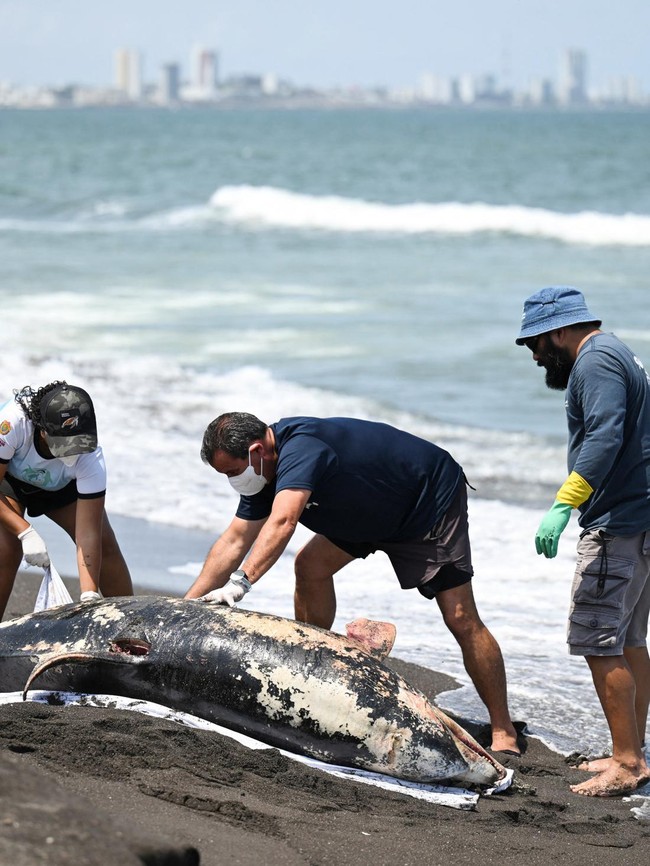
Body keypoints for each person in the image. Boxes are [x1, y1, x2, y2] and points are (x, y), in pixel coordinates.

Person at [185, 412, 520, 755]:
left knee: (460, 617)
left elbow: (284, 521)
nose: (232, 480)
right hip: (365, 513)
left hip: (424, 504)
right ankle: (311, 671)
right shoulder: (261, 473)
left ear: (257, 450)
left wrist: (240, 582)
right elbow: (234, 540)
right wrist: (187, 605)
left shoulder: (301, 450)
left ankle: (504, 729)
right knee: (310, 566)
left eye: (231, 472)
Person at [516, 285, 650, 797]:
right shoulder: (618, 353)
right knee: (629, 638)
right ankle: (630, 747)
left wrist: (564, 503)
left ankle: (628, 761)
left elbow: (604, 436)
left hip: (617, 524)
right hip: (640, 517)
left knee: (598, 640)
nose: (533, 356)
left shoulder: (594, 361)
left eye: (534, 343)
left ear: (557, 331)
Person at [0, 381, 133, 619]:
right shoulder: (12, 423)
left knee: (104, 542)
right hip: (9, 479)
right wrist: (25, 532)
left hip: (60, 486)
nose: (72, 452)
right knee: (6, 547)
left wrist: (89, 594)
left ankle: (132, 623)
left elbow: (88, 533)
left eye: (78, 444)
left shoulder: (90, 457)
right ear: (42, 430)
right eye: (63, 445)